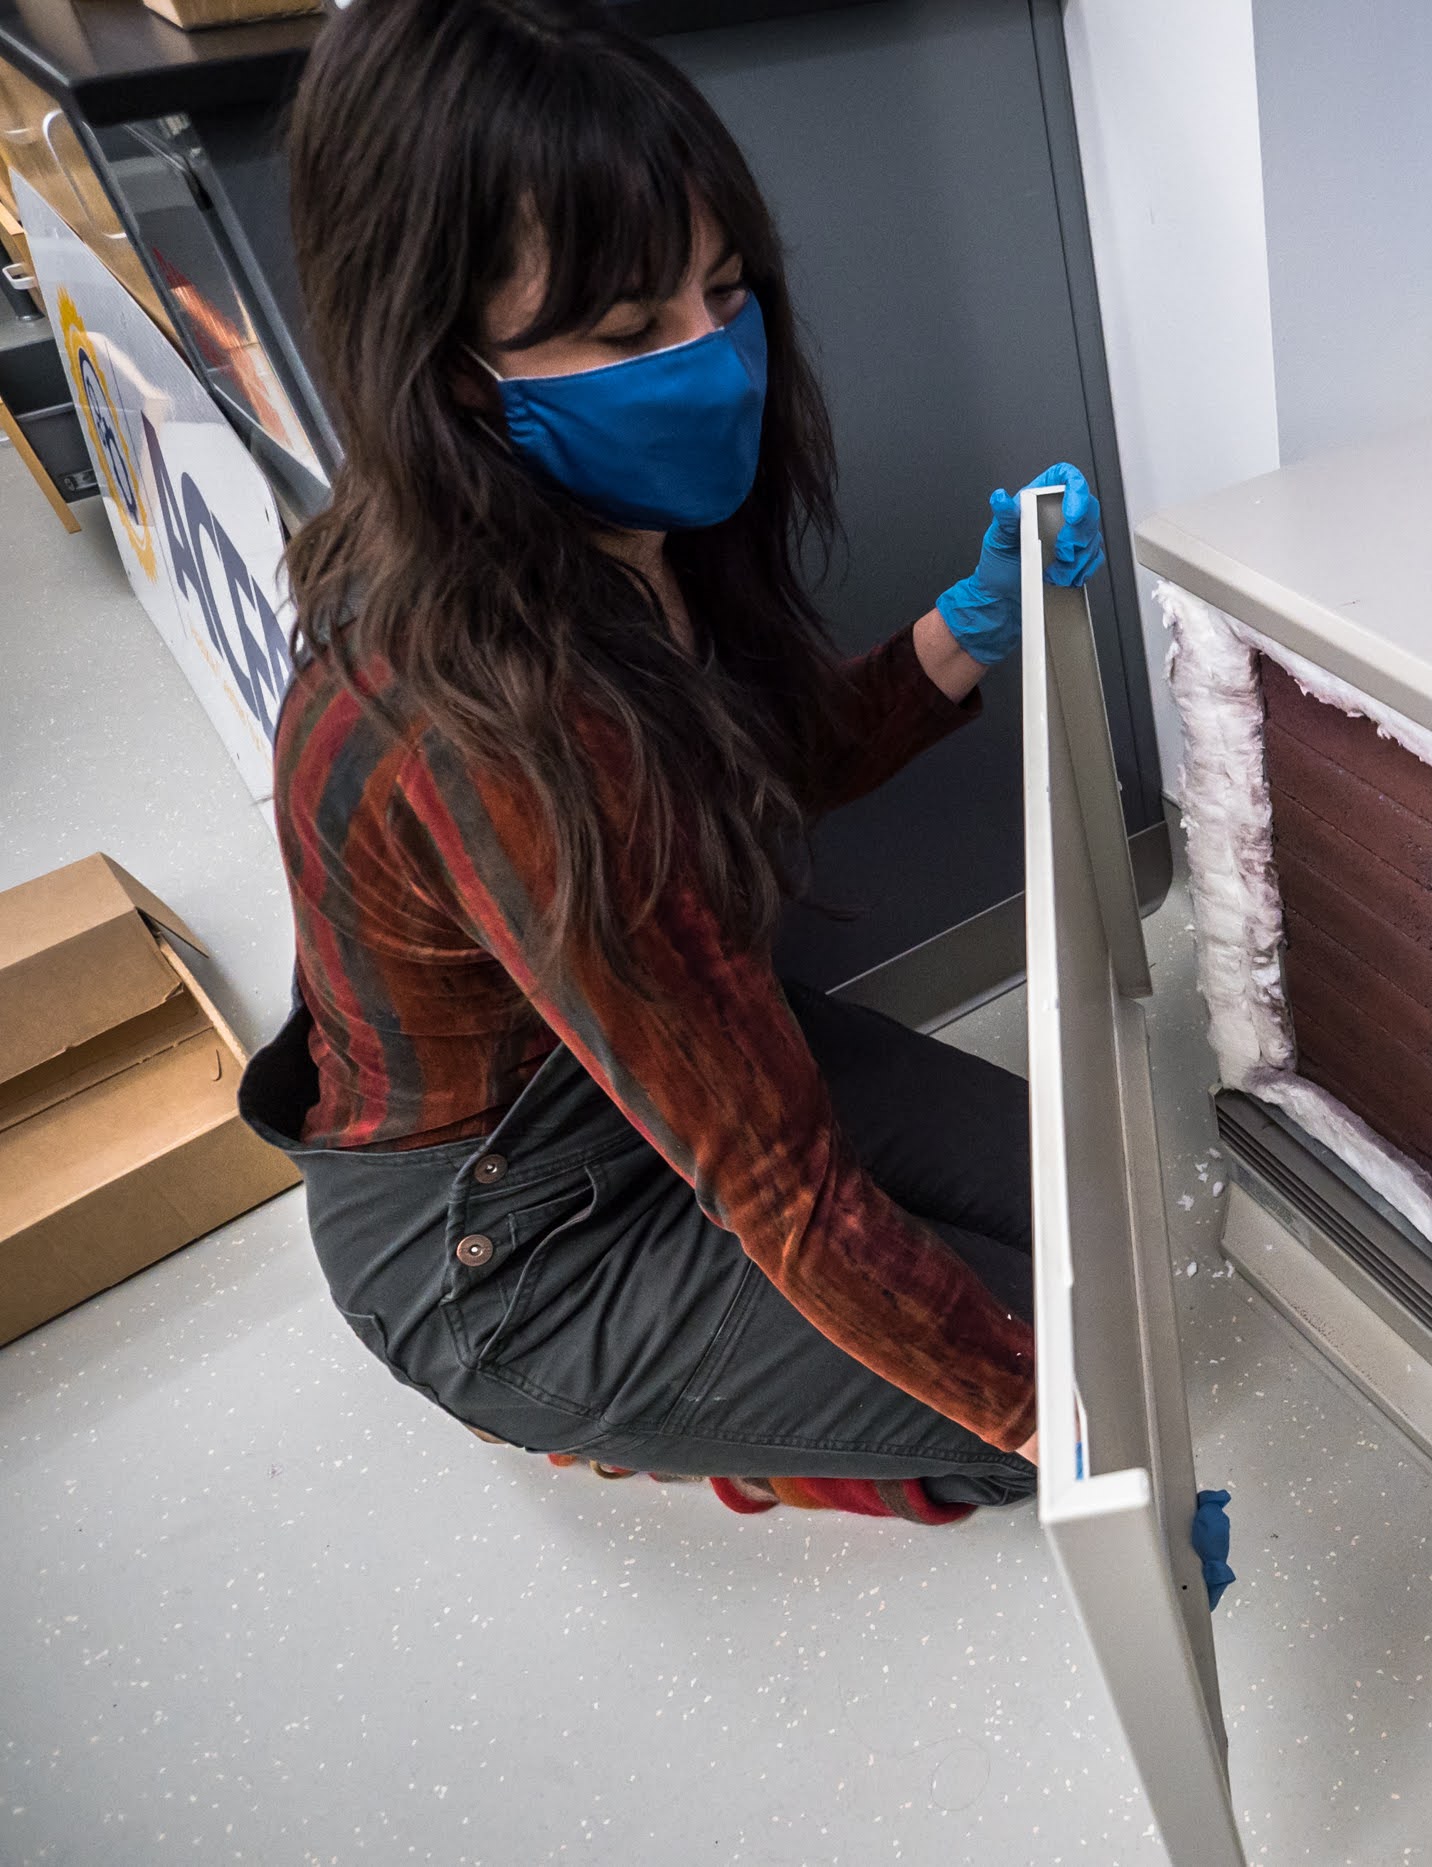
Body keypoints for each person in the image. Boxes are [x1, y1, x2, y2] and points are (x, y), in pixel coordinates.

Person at [237, 0, 1099, 1523]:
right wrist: (1066, 1448)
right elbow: (777, 1180)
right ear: (448, 371)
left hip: (620, 1067)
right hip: (499, 1242)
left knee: (1072, 1219)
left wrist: (966, 630)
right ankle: (598, 1411)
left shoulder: (607, 535)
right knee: (1033, 1393)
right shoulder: (495, 719)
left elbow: (764, 760)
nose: (714, 363)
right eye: (629, 332)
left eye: (724, 294)